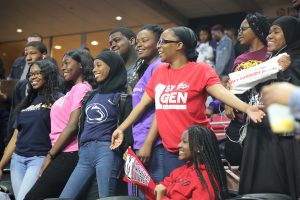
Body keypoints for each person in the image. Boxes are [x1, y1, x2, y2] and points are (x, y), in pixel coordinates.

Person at [111, 26, 265, 179]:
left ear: (179, 45)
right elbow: (142, 105)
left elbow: (220, 92)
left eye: (164, 42)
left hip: (197, 147)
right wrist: (122, 129)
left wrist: (247, 108)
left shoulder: (201, 70)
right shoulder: (160, 72)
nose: (159, 46)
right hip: (171, 150)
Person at [239, 16, 300, 199]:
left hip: (282, 139)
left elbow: (293, 102)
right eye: (269, 32)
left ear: (290, 34)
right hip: (259, 134)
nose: (269, 36)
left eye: (276, 31)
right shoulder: (269, 63)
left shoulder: (295, 61)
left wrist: (288, 71)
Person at [25, 48, 95, 199]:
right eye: (62, 63)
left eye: (67, 63)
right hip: (61, 152)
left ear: (81, 64)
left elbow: (72, 127)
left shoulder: (83, 88)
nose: (62, 67)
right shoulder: (73, 90)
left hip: (70, 152)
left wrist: (50, 156)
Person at [60, 51, 127, 199]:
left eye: (99, 65)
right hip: (85, 152)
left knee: (106, 197)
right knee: (65, 197)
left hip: (107, 151)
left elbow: (126, 129)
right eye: (94, 66)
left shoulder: (122, 96)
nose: (94, 69)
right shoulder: (91, 95)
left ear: (112, 67)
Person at [0, 60, 60, 200]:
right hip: (17, 160)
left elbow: (63, 133)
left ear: (48, 74)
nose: (33, 77)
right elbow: (16, 136)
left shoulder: (58, 99)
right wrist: (1, 165)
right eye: (30, 74)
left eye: (37, 73)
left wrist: (50, 157)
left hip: (38, 159)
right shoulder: (26, 101)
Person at [224, 12, 270, 166]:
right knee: (234, 162)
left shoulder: (270, 56)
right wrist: (227, 102)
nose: (239, 33)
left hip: (261, 123)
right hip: (238, 121)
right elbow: (231, 85)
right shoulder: (240, 58)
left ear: (256, 30)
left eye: (243, 29)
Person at [130, 24, 164, 198]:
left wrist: (148, 143)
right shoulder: (148, 68)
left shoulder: (159, 66)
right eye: (137, 42)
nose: (139, 45)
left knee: (149, 194)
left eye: (144, 40)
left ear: (159, 43)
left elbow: (161, 108)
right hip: (140, 140)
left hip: (152, 143)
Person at [155, 125, 228, 200]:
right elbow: (161, 187)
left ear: (198, 147)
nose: (179, 145)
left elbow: (160, 192)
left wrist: (161, 197)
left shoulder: (205, 181)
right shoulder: (178, 171)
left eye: (184, 142)